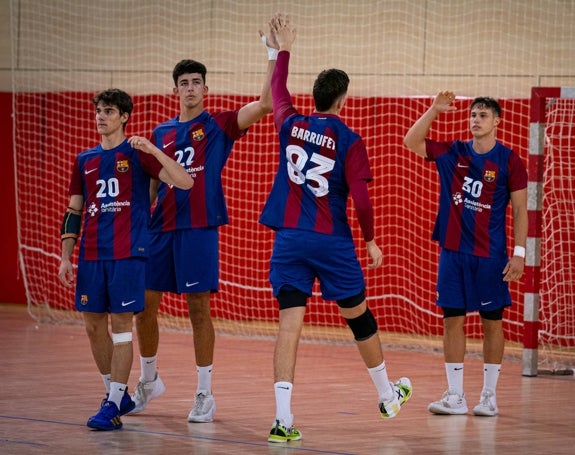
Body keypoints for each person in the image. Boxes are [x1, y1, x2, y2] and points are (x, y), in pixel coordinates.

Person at [259, 14, 412, 443]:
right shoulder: (350, 139)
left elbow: (277, 91)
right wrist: (371, 240)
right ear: (342, 100)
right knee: (358, 315)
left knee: (290, 323)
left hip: (288, 238)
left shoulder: (291, 123)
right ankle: (386, 394)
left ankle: (283, 420)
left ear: (315, 97)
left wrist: (281, 49)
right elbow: (361, 199)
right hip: (331, 240)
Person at [130, 22, 278, 423]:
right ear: (174, 90)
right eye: (184, 82)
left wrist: (273, 54)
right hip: (159, 230)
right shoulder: (159, 133)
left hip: (198, 228)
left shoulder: (218, 125)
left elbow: (265, 104)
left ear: (205, 90)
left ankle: (204, 394)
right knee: (143, 309)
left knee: (199, 311)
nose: (191, 87)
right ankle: (148, 381)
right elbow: (149, 191)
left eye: (197, 82)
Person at [57, 88, 194, 431]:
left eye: (109, 111)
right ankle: (116, 396)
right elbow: (74, 211)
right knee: (92, 326)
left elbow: (185, 181)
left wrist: (154, 150)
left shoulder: (137, 155)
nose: (101, 116)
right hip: (91, 255)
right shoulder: (84, 159)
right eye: (99, 111)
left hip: (129, 253)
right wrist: (65, 257)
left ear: (124, 117)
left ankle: (112, 405)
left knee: (120, 329)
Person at [403, 91, 528, 417]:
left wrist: (519, 253)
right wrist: (433, 110)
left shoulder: (509, 161)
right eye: (473, 114)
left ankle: (489, 395)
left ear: (497, 121)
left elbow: (519, 211)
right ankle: (455, 396)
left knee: (492, 323)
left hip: (490, 256)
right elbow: (411, 141)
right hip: (453, 253)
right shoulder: (453, 151)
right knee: (451, 321)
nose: (476, 119)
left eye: (483, 115)